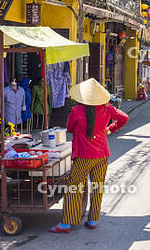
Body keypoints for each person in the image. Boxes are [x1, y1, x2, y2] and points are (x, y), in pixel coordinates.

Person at [50, 78, 129, 233]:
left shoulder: (77, 111)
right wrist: (110, 129)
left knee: (74, 187)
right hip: (103, 154)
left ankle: (66, 223)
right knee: (97, 186)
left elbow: (70, 127)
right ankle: (93, 220)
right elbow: (124, 118)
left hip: (84, 156)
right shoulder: (107, 108)